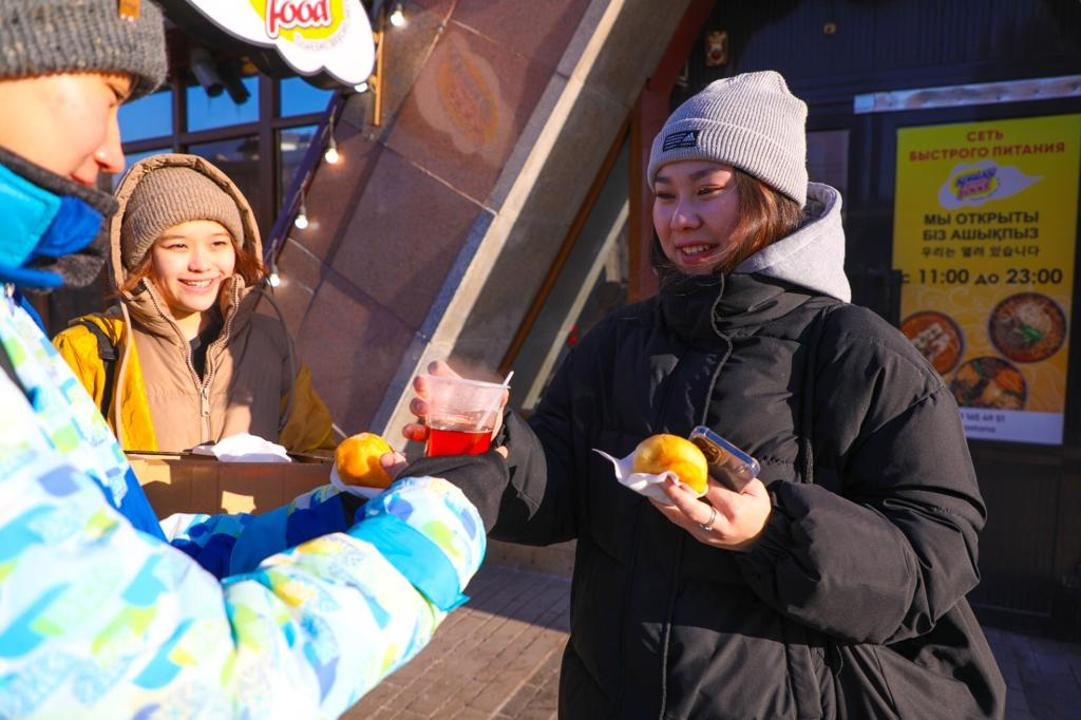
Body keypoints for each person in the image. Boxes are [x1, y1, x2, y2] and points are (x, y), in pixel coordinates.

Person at [403, 71, 1006, 719]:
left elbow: (934, 558)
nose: (679, 217)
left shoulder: (857, 351)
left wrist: (772, 531)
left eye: (707, 191)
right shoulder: (619, 339)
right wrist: (494, 438)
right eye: (662, 194)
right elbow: (558, 499)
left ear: (771, 197)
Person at [0, 2, 481, 716]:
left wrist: (334, 508)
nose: (113, 151)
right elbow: (183, 687)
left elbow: (129, 543)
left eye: (218, 244)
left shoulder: (265, 337)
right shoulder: (86, 345)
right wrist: (434, 530)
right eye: (109, 96)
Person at [53, 152, 335, 454]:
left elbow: (315, 452)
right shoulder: (89, 350)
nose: (201, 264)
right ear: (141, 257)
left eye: (218, 243)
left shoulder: (271, 342)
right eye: (178, 246)